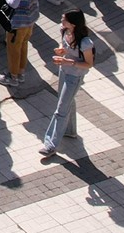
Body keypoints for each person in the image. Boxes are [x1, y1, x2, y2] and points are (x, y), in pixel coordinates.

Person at [38, 11, 97, 158]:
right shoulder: (64, 30)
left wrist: (67, 61)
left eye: (64, 20)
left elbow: (89, 63)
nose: (61, 21)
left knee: (61, 109)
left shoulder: (85, 43)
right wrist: (62, 50)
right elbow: (64, 44)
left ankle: (50, 145)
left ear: (74, 23)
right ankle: (70, 131)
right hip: (64, 71)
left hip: (74, 76)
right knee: (65, 101)